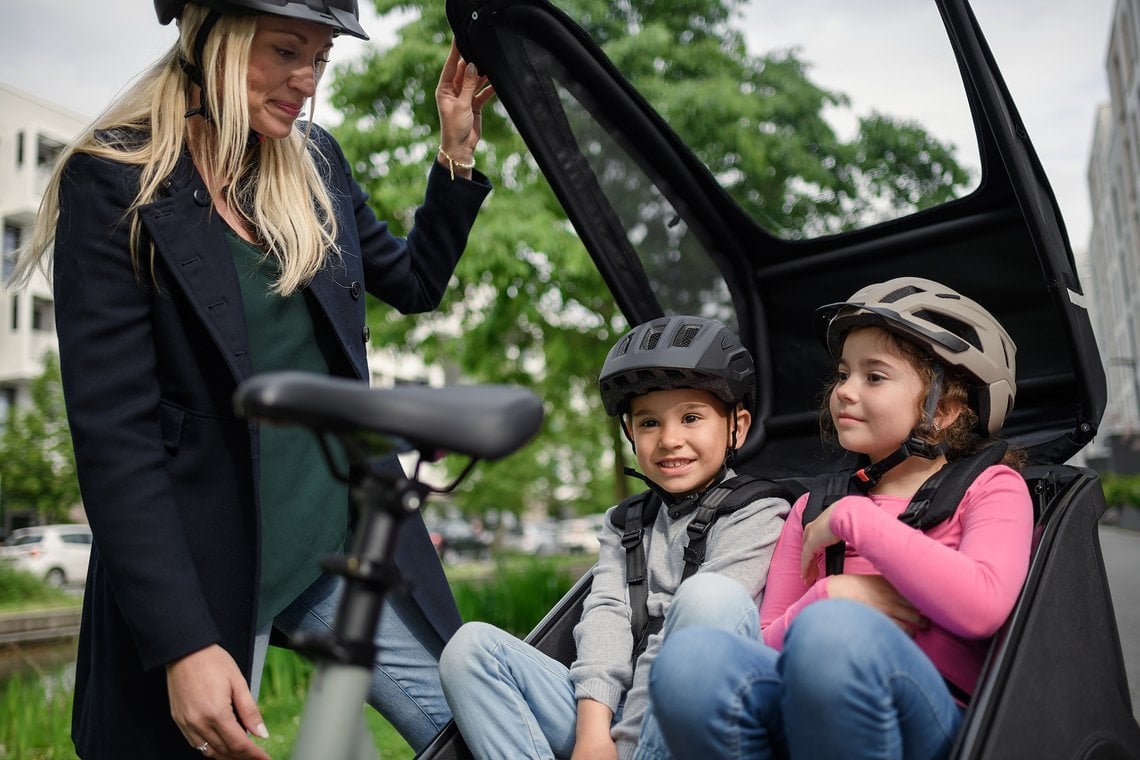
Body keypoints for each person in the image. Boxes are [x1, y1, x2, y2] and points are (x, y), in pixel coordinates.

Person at [7, 1, 494, 758]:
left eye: (321, 57)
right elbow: (117, 443)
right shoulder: (114, 183)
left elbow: (416, 280)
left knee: (475, 727)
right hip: (208, 570)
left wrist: (455, 156)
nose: (306, 79)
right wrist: (182, 644)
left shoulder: (316, 162)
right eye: (284, 50)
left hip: (340, 539)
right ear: (210, 37)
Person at [646, 277, 1034, 760]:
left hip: (932, 715)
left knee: (833, 632)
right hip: (807, 715)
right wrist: (829, 594)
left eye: (874, 376)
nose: (845, 391)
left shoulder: (991, 486)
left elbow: (983, 606)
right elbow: (766, 644)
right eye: (844, 373)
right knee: (690, 659)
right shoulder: (813, 509)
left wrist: (857, 519)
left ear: (946, 410)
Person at [438, 315, 792, 759]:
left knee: (706, 599)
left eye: (691, 417)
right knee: (470, 649)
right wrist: (592, 733)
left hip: (692, 721)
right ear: (629, 432)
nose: (669, 439)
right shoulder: (625, 522)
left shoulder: (759, 512)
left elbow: (678, 650)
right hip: (616, 716)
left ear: (736, 427)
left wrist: (622, 748)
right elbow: (607, 618)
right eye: (648, 423)